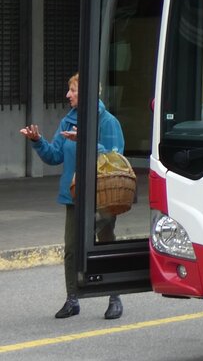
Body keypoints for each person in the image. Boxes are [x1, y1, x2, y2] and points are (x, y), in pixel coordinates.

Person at [19, 73, 125, 320]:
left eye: (73, 90)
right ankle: (72, 298)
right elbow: (54, 155)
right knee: (71, 249)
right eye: (69, 90)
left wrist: (85, 140)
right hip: (74, 194)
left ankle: (114, 297)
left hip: (103, 194)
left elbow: (114, 159)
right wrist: (37, 141)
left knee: (105, 245)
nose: (68, 95)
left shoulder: (108, 122)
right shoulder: (67, 121)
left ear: (87, 93)